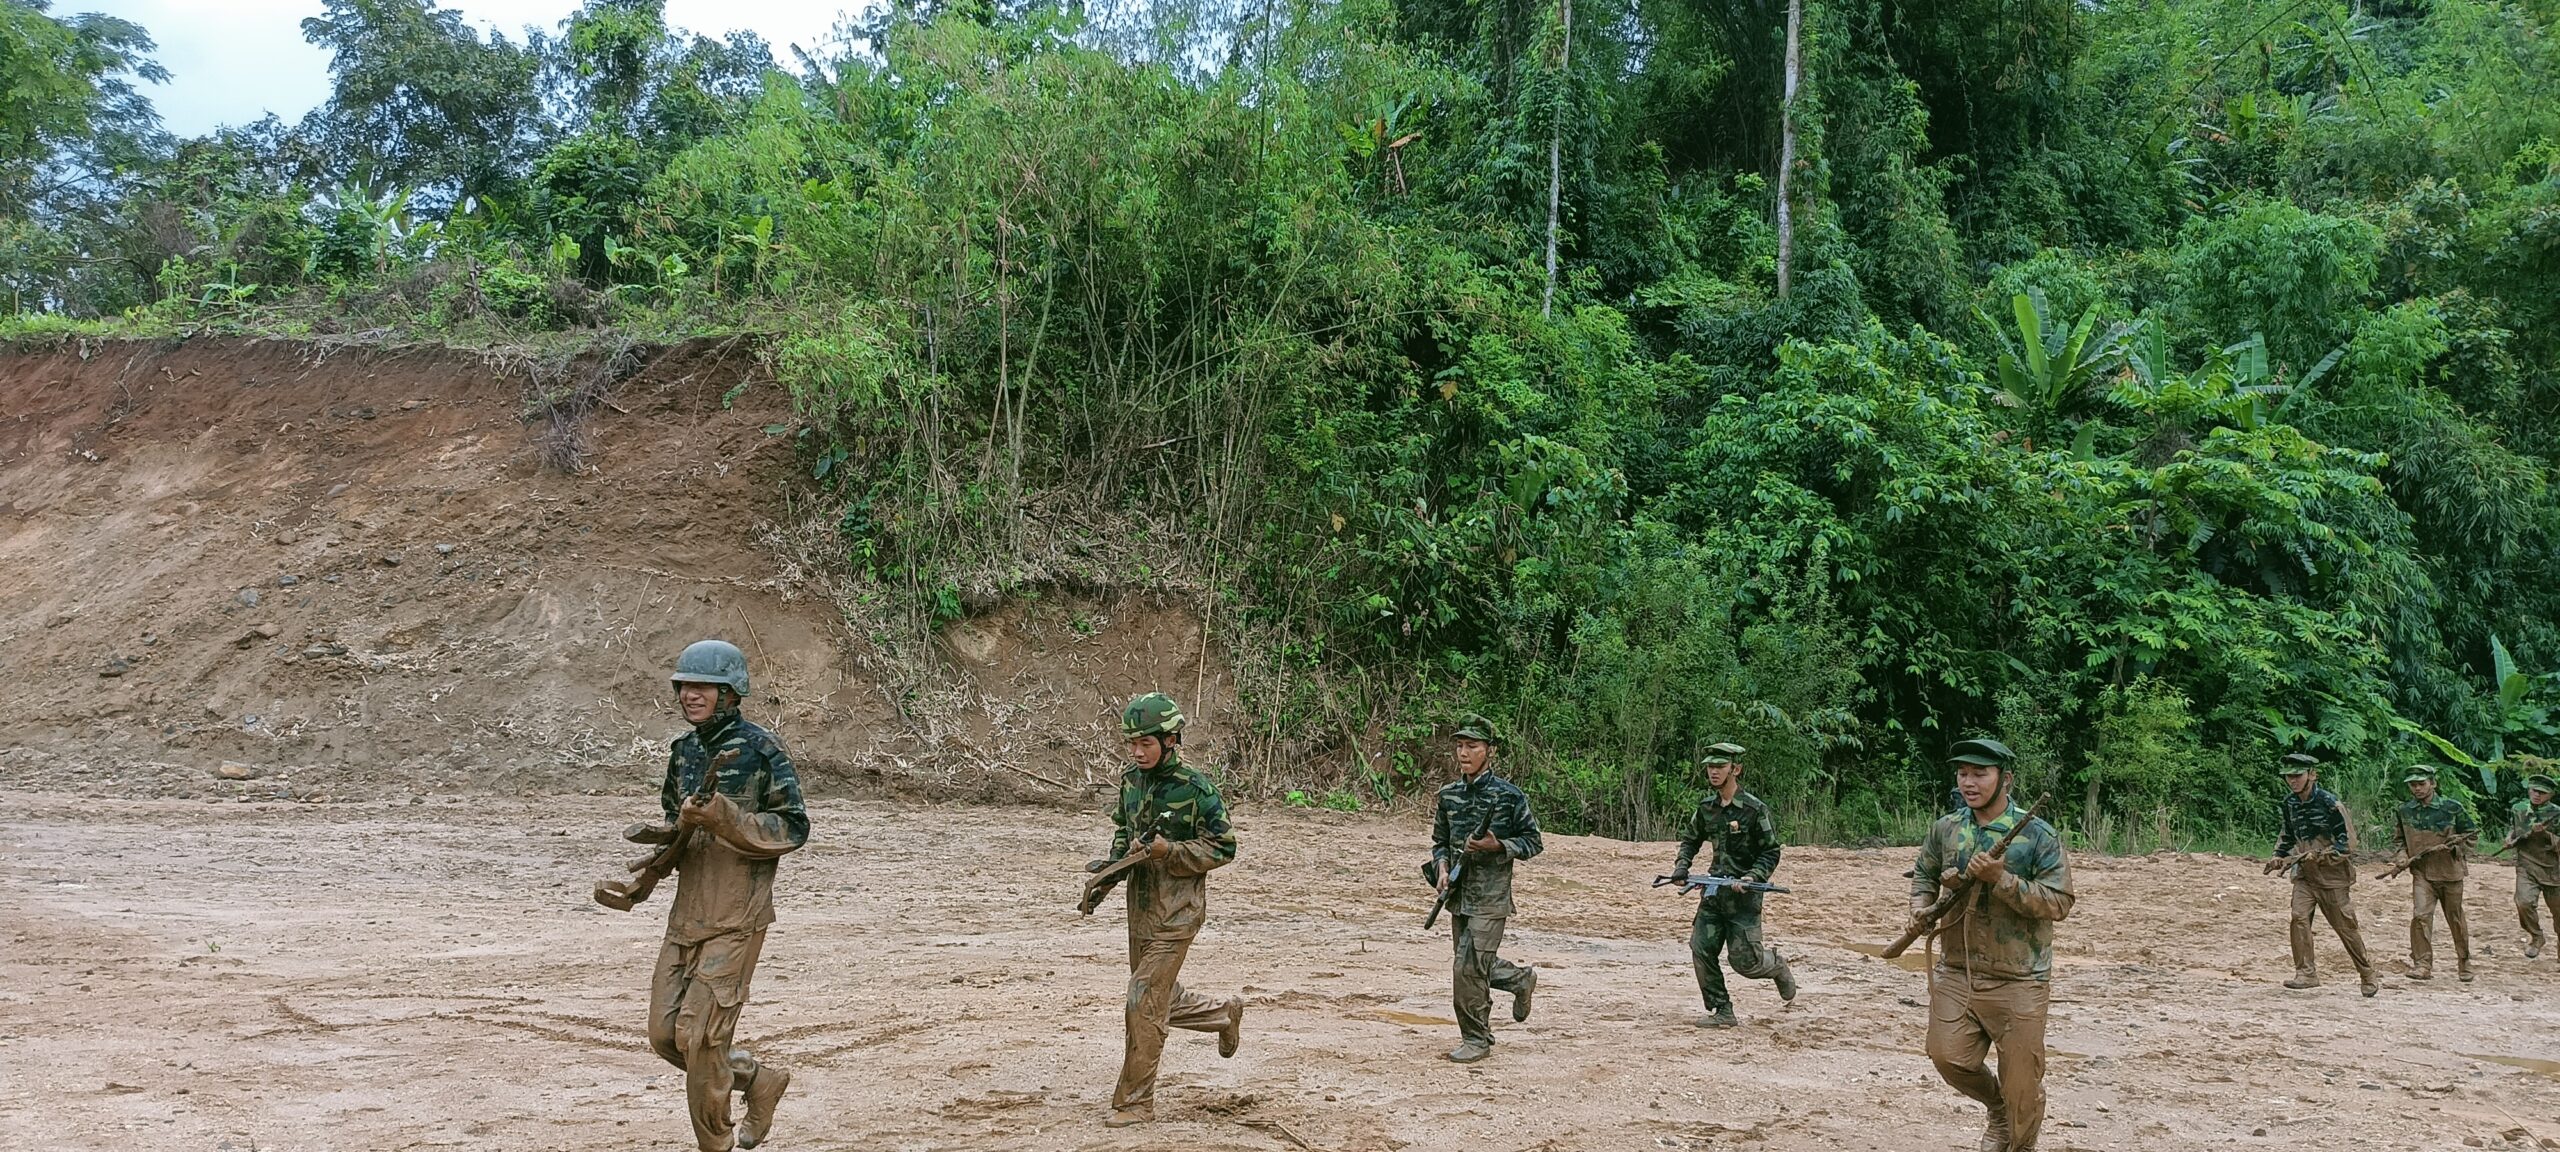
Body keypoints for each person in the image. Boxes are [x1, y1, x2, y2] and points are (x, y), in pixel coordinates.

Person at [626, 640, 808, 1152]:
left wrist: (727, 818)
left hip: (737, 914)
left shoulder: (761, 750)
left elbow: (793, 828)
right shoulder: (683, 752)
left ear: (730, 692)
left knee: (703, 1040)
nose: (690, 694)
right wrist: (645, 876)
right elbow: (675, 825)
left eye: (702, 686)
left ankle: (716, 1145)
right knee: (666, 1035)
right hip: (687, 914)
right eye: (685, 685)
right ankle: (757, 1079)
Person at [1907, 737, 2074, 1152]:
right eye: (1963, 773)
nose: (1969, 782)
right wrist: (1920, 907)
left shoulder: (2037, 835)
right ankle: (1996, 1109)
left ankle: (2017, 1141)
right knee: (1948, 1056)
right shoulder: (1947, 828)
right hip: (1958, 970)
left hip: (2019, 978)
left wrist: (2002, 880)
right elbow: (1923, 874)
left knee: (2022, 1085)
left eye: (1980, 773)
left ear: (2006, 779)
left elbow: (2060, 902)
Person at [1095, 692, 1244, 1127]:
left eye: (1146, 743)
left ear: (1171, 739)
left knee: (1142, 999)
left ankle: (1136, 1102)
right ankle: (1222, 1013)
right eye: (1131, 744)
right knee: (1160, 997)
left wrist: (1169, 852)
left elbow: (1224, 847)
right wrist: (1108, 872)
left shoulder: (1196, 788)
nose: (1137, 752)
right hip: (1140, 908)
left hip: (1178, 912)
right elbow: (1124, 833)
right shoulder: (1130, 781)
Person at [1428, 714, 1544, 1064]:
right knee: (1475, 965)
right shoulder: (1448, 795)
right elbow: (1439, 842)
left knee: (1467, 968)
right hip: (1458, 896)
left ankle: (1476, 1040)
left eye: (1472, 746)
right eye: (1460, 746)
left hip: (1492, 897)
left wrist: (1498, 847)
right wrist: (1442, 869)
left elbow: (1533, 842)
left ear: (1489, 751)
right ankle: (1520, 979)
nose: (1464, 753)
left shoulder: (1509, 797)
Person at [1666, 742, 1798, 1027]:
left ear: (1735, 770)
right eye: (1710, 767)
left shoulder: (1753, 809)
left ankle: (1776, 966)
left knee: (1745, 963)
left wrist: (1752, 877)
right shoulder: (1706, 808)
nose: (1713, 772)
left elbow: (1771, 851)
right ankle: (1722, 1010)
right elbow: (1691, 840)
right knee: (1701, 948)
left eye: (1719, 767)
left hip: (1743, 900)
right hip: (1714, 895)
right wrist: (1682, 866)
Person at [2269, 752, 2377, 996]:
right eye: (2289, 777)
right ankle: (2306, 972)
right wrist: (2278, 855)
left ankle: (2367, 973)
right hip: (2304, 875)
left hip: (2332, 877)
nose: (2292, 781)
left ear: (2312, 775)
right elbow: (2287, 835)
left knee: (2345, 927)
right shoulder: (2289, 803)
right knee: (2298, 918)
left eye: (2297, 776)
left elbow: (2347, 842)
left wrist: (2320, 855)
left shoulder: (2330, 803)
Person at [2394, 765, 2478, 982]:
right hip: (2421, 874)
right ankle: (2422, 964)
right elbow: (2398, 839)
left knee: (2455, 919)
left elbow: (2471, 836)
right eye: (2413, 785)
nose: (2417, 789)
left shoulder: (2452, 808)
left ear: (2433, 783)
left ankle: (2464, 961)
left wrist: (2455, 846)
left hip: (2450, 873)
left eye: (2421, 783)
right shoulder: (2405, 810)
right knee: (2420, 916)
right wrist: (2401, 856)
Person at [2506, 769, 2560, 962]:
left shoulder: (2557, 814)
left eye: (2542, 792)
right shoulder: (2519, 808)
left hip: (2554, 869)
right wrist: (2509, 839)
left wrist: (2545, 835)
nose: (2537, 795)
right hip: (2527, 865)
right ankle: (2536, 936)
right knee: (2524, 902)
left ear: (2551, 794)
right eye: (2534, 790)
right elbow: (2514, 830)